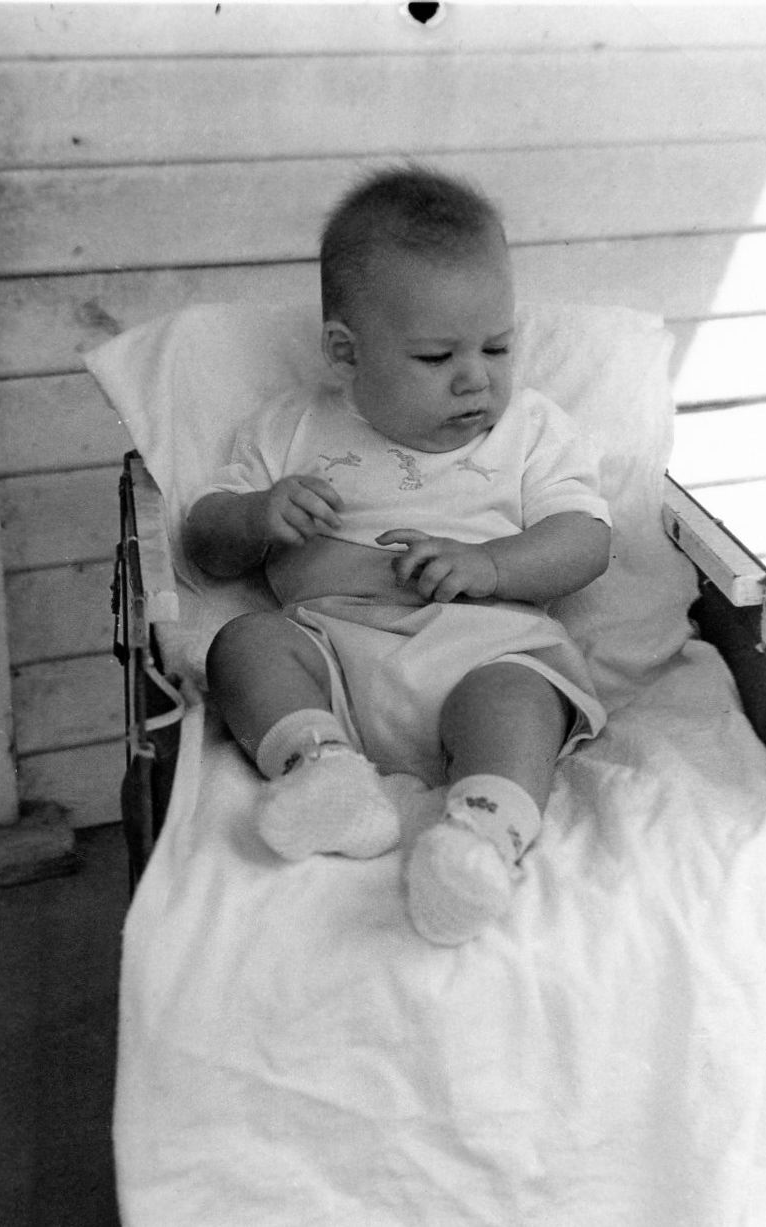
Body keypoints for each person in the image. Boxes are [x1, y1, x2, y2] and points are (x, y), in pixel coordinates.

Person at [184, 165, 612, 945]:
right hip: (331, 655)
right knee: (243, 644)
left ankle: (479, 842)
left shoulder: (531, 431)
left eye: (497, 346)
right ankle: (325, 773)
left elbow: (584, 539)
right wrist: (256, 514)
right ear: (346, 352)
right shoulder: (290, 429)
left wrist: (492, 565)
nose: (474, 379)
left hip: (482, 645)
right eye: (435, 357)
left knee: (519, 696)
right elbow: (205, 543)